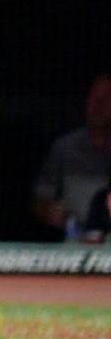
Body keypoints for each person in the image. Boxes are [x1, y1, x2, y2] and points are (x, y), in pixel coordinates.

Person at [31, 75, 111, 238]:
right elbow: (39, 201)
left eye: (107, 98)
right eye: (94, 97)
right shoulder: (65, 148)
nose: (98, 104)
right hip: (74, 249)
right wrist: (50, 211)